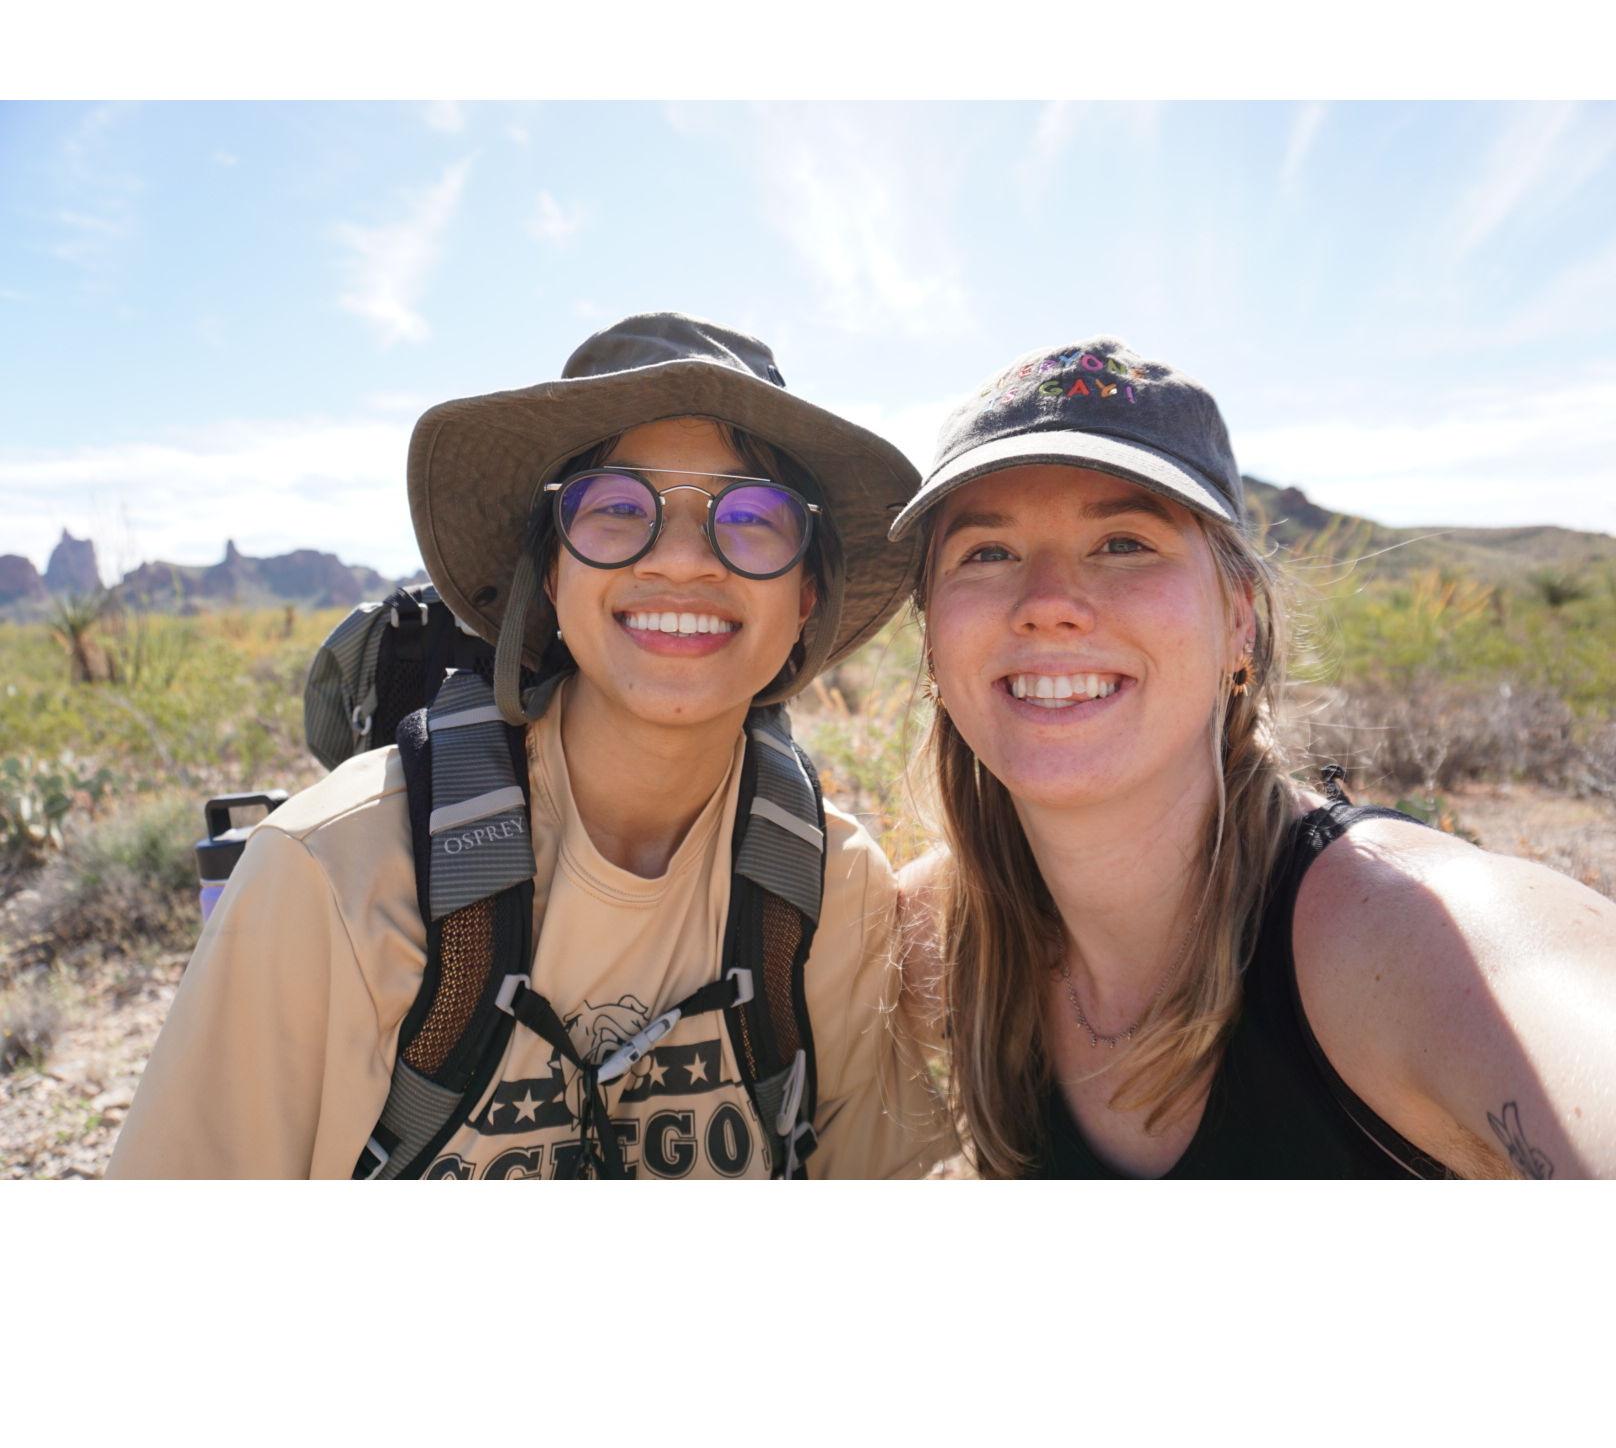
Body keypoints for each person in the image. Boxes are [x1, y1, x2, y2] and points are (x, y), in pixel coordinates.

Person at [110, 312, 953, 1180]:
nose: (680, 560)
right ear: (552, 573)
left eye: (751, 516)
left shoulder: (832, 885)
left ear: (808, 593)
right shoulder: (336, 873)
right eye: (620, 508)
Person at [891, 335, 1616, 1179]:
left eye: (1124, 543)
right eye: (987, 552)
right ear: (933, 639)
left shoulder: (1417, 940)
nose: (1048, 604)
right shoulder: (929, 937)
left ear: (1239, 616)